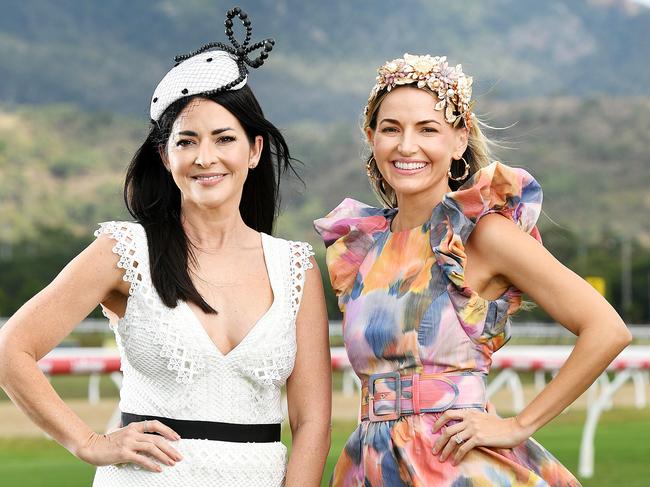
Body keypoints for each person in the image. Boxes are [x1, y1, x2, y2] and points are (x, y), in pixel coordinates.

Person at [0, 7, 331, 486]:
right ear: (165, 155)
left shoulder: (295, 267)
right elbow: (12, 349)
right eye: (187, 141)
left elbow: (312, 421)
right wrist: (90, 442)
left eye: (224, 139)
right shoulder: (126, 249)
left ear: (254, 150)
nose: (205, 157)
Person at [314, 53, 631, 486]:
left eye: (428, 129)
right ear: (371, 137)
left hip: (456, 466)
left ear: (459, 140)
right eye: (391, 129)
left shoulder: (483, 236)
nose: (407, 146)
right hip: (371, 464)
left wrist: (518, 425)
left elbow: (607, 328)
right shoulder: (363, 246)